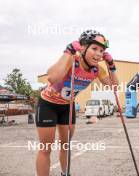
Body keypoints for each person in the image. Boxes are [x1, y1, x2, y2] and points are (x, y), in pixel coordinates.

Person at [35, 30, 118, 176]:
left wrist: (111, 65)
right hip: (48, 104)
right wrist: (68, 51)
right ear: (83, 47)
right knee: (46, 148)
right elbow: (52, 77)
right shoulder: (72, 60)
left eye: (102, 51)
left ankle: (65, 173)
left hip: (68, 106)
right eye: (94, 48)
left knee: (65, 145)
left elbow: (114, 86)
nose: (99, 54)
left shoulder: (97, 69)